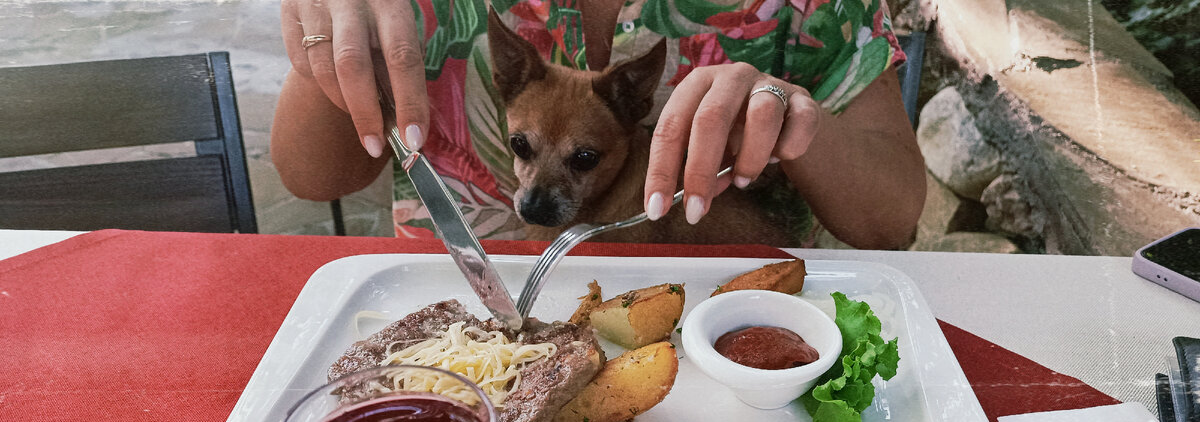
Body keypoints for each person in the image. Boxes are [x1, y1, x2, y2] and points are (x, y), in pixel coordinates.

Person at [272, 0, 925, 249]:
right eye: (522, 151)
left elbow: (892, 219)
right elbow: (312, 175)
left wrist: (791, 115)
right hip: (450, 336)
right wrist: (328, 41)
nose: (535, 185)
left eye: (579, 161)